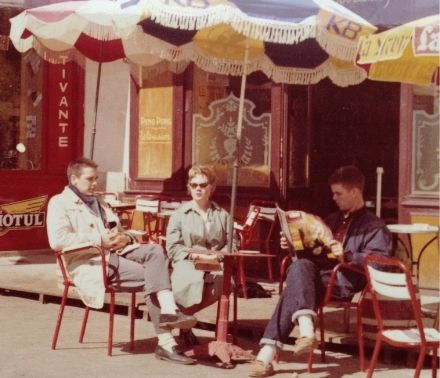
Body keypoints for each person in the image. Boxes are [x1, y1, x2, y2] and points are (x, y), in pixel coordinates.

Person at [47, 157, 197, 365]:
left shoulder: (98, 202)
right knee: (154, 276)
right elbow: (58, 241)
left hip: (115, 253)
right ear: (74, 179)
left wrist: (125, 237)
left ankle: (170, 312)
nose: (95, 183)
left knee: (155, 251)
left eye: (96, 179)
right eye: (90, 179)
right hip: (89, 261)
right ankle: (166, 340)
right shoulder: (59, 203)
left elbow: (118, 229)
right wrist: (99, 240)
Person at [249, 165, 393, 377]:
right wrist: (291, 243)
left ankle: (268, 354)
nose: (334, 198)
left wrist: (347, 255)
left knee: (296, 283)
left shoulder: (374, 226)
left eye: (338, 193)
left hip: (344, 281)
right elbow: (312, 250)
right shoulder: (332, 219)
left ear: (355, 192)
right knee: (299, 267)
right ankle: (305, 329)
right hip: (317, 278)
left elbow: (382, 261)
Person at [166, 165, 236, 346]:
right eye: (194, 184)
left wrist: (218, 257)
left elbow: (232, 244)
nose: (198, 188)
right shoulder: (179, 214)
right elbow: (173, 247)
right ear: (189, 187)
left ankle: (183, 318)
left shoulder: (223, 215)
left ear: (211, 187)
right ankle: (184, 323)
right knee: (189, 282)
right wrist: (195, 257)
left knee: (226, 283)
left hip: (215, 262)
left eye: (203, 185)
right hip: (188, 262)